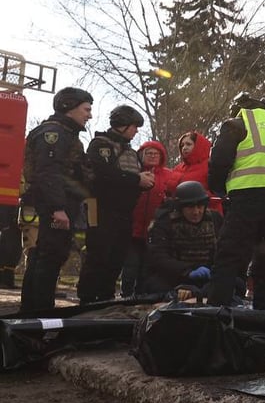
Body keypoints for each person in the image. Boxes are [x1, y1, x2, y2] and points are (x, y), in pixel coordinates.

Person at [205, 92, 265, 310]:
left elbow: (219, 160)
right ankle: (264, 311)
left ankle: (216, 310)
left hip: (246, 194)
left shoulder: (238, 122)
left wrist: (218, 187)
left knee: (229, 252)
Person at [19, 87, 94, 313]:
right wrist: (57, 208)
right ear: (68, 108)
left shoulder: (64, 133)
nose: (89, 115)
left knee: (45, 256)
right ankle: (40, 314)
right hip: (54, 206)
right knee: (48, 258)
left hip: (59, 204)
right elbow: (48, 172)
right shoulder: (54, 133)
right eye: (86, 109)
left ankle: (33, 313)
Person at [76, 105, 155, 304]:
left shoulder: (130, 151)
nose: (136, 131)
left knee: (116, 258)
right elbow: (103, 174)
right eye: (134, 126)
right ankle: (86, 299)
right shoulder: (101, 145)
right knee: (98, 255)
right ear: (122, 125)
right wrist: (136, 180)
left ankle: (106, 298)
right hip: (102, 209)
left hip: (124, 212)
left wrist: (143, 182)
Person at [144, 180, 225, 295]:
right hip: (174, 277)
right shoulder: (165, 222)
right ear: (180, 207)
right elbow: (158, 257)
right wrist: (187, 271)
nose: (196, 212)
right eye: (190, 207)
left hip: (208, 276)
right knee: (155, 285)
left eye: (200, 206)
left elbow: (225, 251)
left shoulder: (215, 219)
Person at [120, 140, 172, 296]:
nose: (152, 156)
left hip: (154, 233)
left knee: (146, 269)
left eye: (156, 153)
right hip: (132, 230)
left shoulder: (169, 176)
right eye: (148, 153)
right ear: (141, 154)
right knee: (130, 268)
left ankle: (141, 298)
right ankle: (126, 296)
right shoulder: (133, 174)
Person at [166, 131, 223, 214]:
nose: (184, 148)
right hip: (182, 214)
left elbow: (219, 193)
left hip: (208, 214)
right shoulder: (178, 168)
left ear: (198, 146)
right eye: (182, 145)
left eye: (188, 144)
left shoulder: (211, 165)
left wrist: (199, 198)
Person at [0, 204, 20, 288]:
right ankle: (2, 280)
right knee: (5, 249)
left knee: (14, 251)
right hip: (6, 217)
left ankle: (8, 281)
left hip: (14, 218)